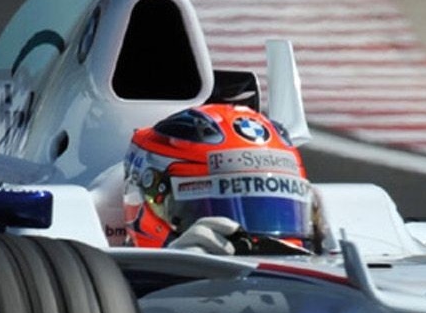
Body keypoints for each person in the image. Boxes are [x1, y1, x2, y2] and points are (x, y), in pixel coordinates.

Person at [121, 102, 314, 253]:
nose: (252, 244)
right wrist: (172, 273)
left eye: (274, 213)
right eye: (213, 209)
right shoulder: (108, 291)